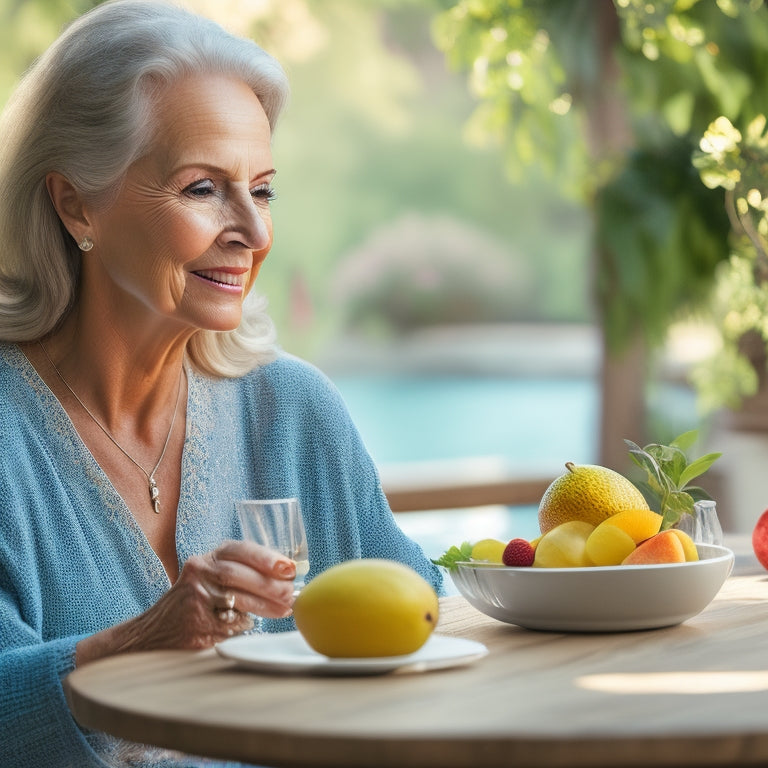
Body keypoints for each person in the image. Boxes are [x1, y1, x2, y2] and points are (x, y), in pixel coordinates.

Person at [0, 1, 443, 765]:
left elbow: (425, 619)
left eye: (262, 189)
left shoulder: (294, 411)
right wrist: (140, 644)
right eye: (204, 189)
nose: (255, 231)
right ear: (75, 203)